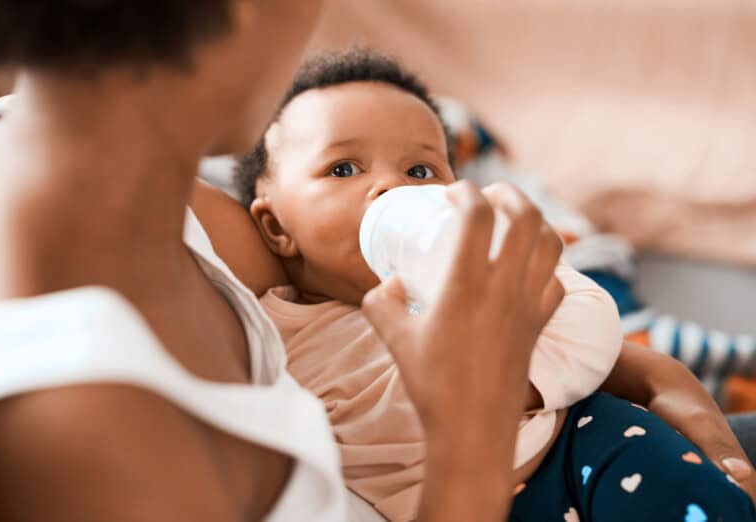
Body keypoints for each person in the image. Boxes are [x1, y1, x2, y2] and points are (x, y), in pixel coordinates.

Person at [0, 2, 570, 521]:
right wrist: (471, 436)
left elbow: (332, 286)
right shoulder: (73, 425)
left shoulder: (144, 192)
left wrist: (648, 372)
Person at [230, 49, 756, 521]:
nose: (390, 186)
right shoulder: (269, 335)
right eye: (343, 168)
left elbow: (594, 329)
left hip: (580, 446)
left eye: (420, 170)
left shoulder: (476, 284)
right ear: (276, 227)